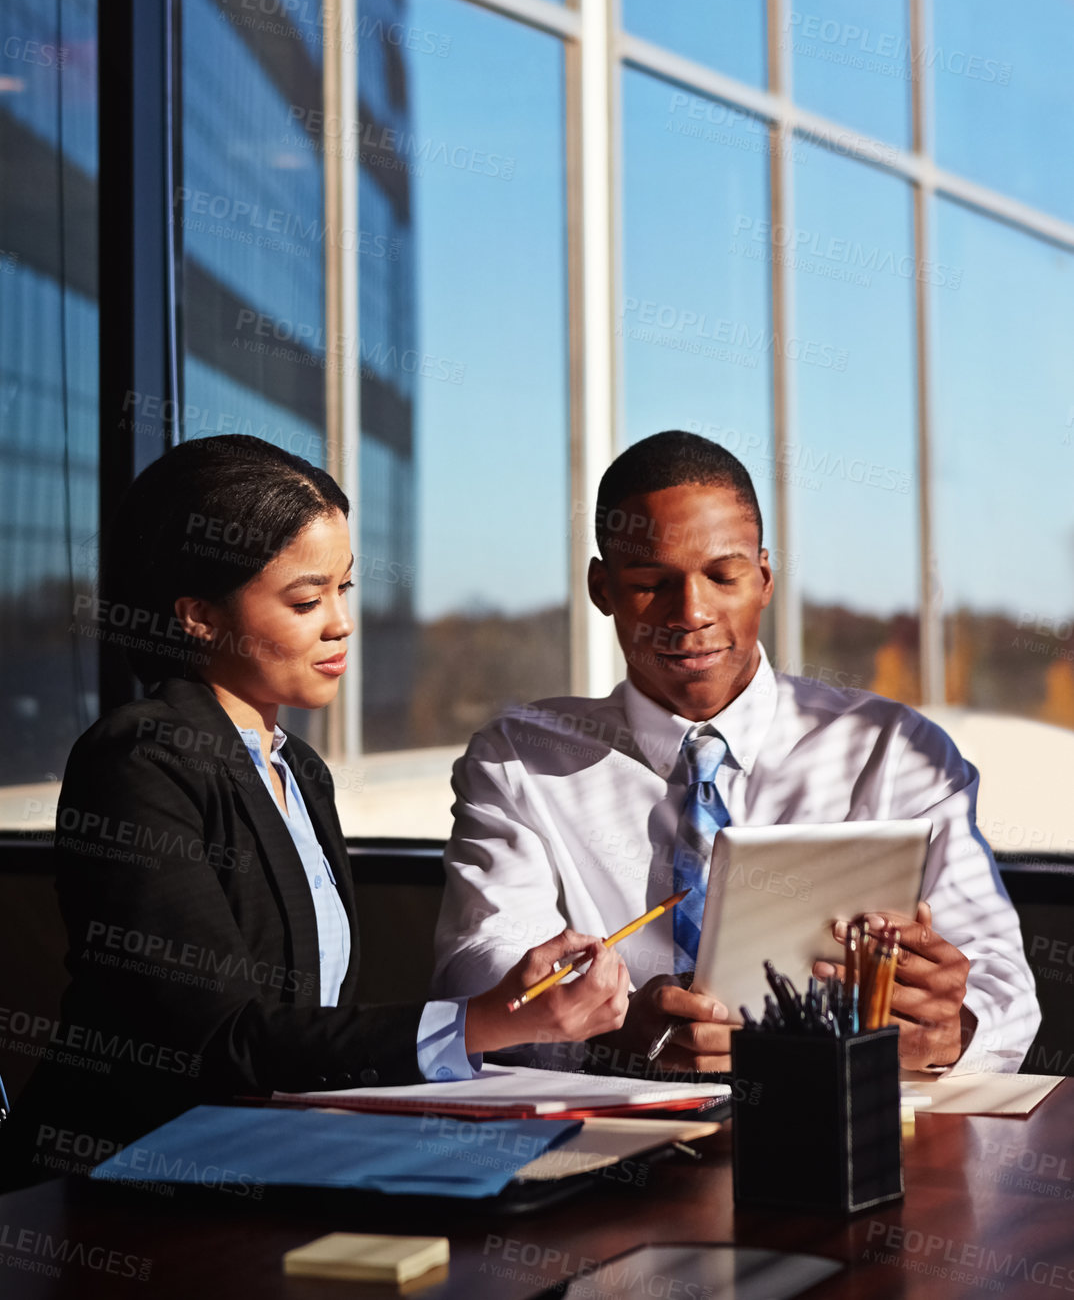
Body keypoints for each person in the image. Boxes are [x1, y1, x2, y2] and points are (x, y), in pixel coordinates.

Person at [0, 436, 628, 1185]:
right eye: (306, 599)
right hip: (121, 1186)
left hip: (267, 1162)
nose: (340, 623)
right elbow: (218, 1040)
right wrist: (485, 1020)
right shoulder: (140, 759)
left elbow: (305, 1027)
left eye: (344, 589)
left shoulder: (299, 771)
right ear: (198, 616)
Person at [432, 430, 1041, 1077]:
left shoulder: (897, 752)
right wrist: (608, 1032)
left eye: (723, 575)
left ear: (764, 577)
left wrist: (950, 1029)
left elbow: (1004, 988)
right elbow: (476, 970)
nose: (690, 612)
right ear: (602, 588)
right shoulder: (520, 760)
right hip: (612, 1143)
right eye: (650, 582)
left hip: (834, 1125)